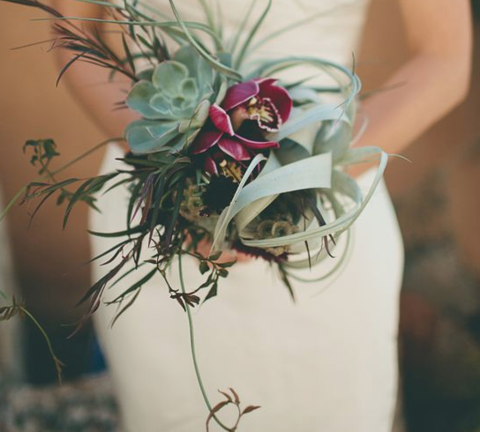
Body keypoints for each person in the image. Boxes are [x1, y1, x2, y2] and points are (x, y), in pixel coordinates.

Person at [54, 0, 472, 431]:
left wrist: (292, 187)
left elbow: (444, 58)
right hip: (159, 215)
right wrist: (179, 175)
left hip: (323, 221)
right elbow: (73, 32)